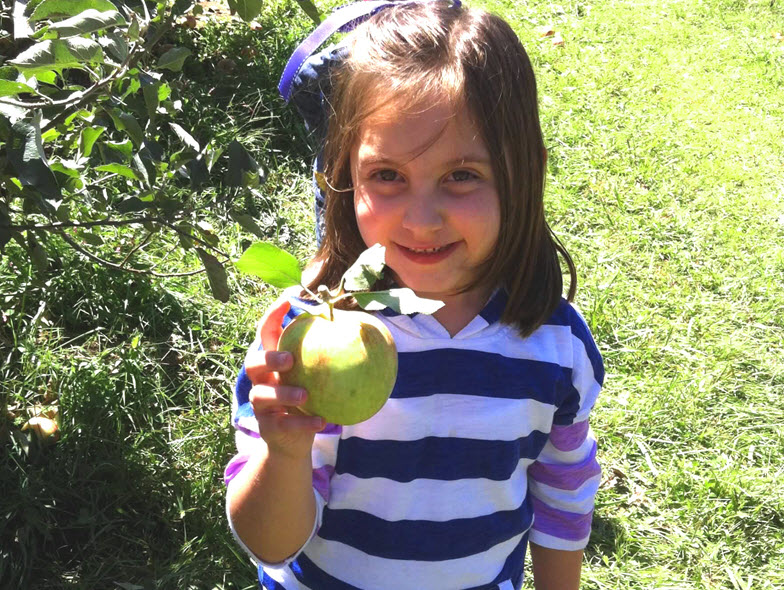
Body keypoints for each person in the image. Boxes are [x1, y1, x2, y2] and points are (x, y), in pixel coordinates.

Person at [224, 2, 605, 589]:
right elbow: (270, 542)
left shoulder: (554, 344)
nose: (422, 219)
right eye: (388, 176)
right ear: (344, 174)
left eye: (461, 176)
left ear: (524, 174)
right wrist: (284, 453)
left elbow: (564, 493)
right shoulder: (303, 339)